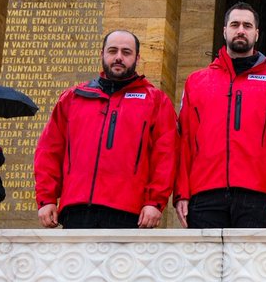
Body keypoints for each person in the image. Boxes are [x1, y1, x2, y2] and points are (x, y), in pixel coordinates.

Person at [34, 30, 178, 229]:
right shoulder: (73, 98)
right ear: (102, 54)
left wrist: (155, 202)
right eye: (113, 51)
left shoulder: (156, 101)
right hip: (77, 209)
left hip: (129, 212)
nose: (119, 57)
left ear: (137, 58)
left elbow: (165, 156)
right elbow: (49, 151)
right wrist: (46, 198)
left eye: (126, 52)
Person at [175, 2, 266, 228]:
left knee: (254, 264)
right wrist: (181, 192)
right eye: (235, 24)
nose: (241, 30)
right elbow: (184, 140)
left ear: (256, 33)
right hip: (205, 194)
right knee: (206, 263)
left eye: (247, 25)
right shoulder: (197, 81)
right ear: (224, 31)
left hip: (259, 195)